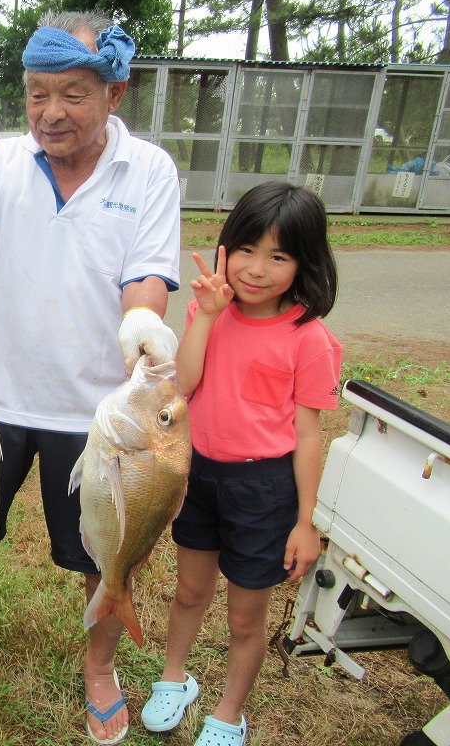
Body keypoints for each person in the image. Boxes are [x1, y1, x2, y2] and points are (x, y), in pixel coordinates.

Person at [0, 10, 182, 745]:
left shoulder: (149, 169)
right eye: (36, 94)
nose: (50, 112)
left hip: (101, 411)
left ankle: (99, 664)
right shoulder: (3, 160)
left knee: (104, 551)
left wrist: (142, 319)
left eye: (72, 95)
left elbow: (149, 270)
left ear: (113, 94)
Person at [139, 182, 341, 746]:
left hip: (264, 489)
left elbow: (308, 436)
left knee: (246, 617)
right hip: (198, 474)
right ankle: (174, 678)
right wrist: (207, 316)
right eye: (246, 250)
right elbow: (183, 385)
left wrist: (305, 522)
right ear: (226, 249)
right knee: (189, 592)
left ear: (305, 264)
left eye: (278, 256)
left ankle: (229, 713)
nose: (256, 269)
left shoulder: (309, 339)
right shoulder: (208, 313)